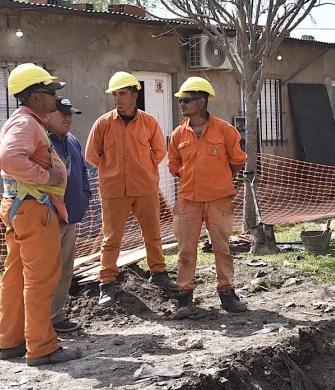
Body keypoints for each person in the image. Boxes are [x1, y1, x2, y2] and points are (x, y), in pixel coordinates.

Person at [0, 63, 81, 366]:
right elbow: (8, 158)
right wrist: (45, 177)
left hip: (21, 206)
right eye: (50, 91)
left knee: (16, 277)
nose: (55, 97)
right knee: (41, 279)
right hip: (34, 208)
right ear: (34, 96)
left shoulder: (22, 121)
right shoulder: (27, 124)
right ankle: (42, 346)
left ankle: (12, 341)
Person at [85, 71, 176, 305]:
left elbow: (160, 151)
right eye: (115, 94)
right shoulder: (103, 124)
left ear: (135, 95)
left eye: (123, 94)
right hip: (113, 190)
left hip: (145, 188)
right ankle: (107, 282)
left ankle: (159, 273)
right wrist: (113, 169)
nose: (118, 99)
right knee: (111, 239)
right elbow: (92, 155)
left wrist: (141, 167)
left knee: (153, 234)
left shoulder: (149, 122)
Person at [167, 76, 249, 318]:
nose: (182, 104)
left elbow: (237, 161)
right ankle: (184, 297)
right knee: (185, 251)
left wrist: (220, 180)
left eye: (187, 100)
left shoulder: (225, 131)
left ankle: (227, 293)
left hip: (218, 200)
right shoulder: (178, 134)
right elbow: (174, 166)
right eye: (181, 100)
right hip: (187, 201)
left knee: (222, 248)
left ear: (201, 102)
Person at [46, 97, 91, 333]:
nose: (68, 118)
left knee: (65, 270)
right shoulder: (42, 141)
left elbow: (82, 170)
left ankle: (56, 317)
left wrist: (84, 195)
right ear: (48, 114)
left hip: (70, 217)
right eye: (62, 113)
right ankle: (38, 321)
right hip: (48, 218)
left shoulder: (72, 140)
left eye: (70, 114)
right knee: (45, 272)